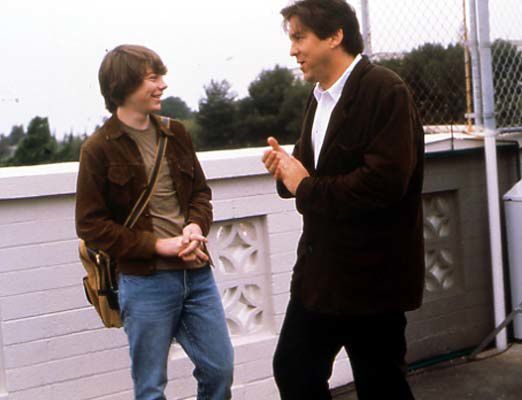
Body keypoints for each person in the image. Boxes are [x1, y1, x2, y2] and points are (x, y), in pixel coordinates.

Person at [262, 1, 425, 398]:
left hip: (373, 278)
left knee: (380, 384)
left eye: (300, 37)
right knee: (294, 369)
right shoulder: (318, 97)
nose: (292, 50)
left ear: (335, 36)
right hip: (320, 276)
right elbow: (310, 174)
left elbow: (384, 184)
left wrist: (304, 186)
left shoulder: (385, 90)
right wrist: (286, 170)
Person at [75, 44, 233, 400]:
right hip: (144, 282)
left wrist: (194, 227)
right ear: (123, 85)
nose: (162, 84)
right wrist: (157, 245)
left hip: (196, 274)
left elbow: (200, 194)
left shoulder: (176, 133)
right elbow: (90, 225)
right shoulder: (98, 149)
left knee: (219, 370)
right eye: (153, 77)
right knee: (150, 388)